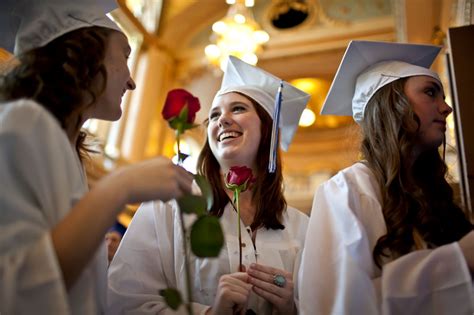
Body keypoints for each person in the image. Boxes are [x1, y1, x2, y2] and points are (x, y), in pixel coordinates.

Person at [0, 1, 193, 314]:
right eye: (125, 55)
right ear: (84, 52)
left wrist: (91, 261)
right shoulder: (22, 123)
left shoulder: (68, 154)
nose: (131, 81)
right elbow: (13, 291)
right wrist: (120, 186)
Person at [107, 55, 311, 314]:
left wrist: (292, 307)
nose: (221, 120)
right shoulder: (169, 206)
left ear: (268, 129)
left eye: (238, 108)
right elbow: (124, 302)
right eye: (214, 115)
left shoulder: (301, 227)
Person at [298, 40, 474, 314]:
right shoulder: (347, 189)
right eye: (431, 93)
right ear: (393, 104)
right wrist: (460, 259)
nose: (446, 108)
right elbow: (340, 304)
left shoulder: (433, 192)